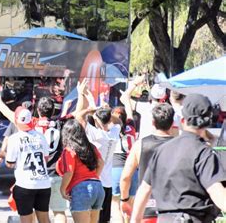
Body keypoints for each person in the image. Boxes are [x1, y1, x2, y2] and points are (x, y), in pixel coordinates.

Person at [131, 94, 226, 223]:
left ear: (182, 121)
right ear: (207, 122)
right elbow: (216, 192)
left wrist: (134, 220)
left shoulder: (162, 150)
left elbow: (144, 189)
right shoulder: (203, 153)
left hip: (164, 219)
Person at [0, 82, 51, 223]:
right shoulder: (40, 134)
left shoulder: (15, 138)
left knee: (26, 221)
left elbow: (10, 164)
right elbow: (46, 158)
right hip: (43, 183)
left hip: (25, 184)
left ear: (17, 121)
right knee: (45, 220)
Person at [75, 79, 121, 223]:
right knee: (104, 219)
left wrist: (88, 105)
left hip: (94, 182)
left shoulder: (96, 134)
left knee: (91, 218)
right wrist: (107, 110)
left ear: (98, 121)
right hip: (107, 183)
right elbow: (119, 121)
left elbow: (78, 116)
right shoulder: (114, 132)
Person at [119, 101, 174, 221]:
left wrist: (124, 200)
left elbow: (125, 177)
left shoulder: (141, 144)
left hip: (146, 207)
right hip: (173, 209)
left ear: (153, 122)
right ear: (172, 123)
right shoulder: (180, 145)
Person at [56, 119, 105, 223]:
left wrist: (62, 189)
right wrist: (93, 177)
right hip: (98, 187)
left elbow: (69, 171)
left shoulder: (68, 150)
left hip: (80, 189)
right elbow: (101, 163)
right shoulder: (91, 147)